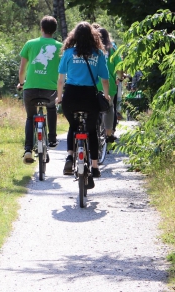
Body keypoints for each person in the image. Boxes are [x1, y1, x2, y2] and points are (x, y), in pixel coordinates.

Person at [56, 22, 111, 178]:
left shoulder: (68, 53)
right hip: (89, 97)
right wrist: (106, 96)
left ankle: (69, 156)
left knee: (73, 126)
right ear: (93, 36)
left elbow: (61, 80)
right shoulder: (98, 54)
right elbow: (105, 80)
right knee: (91, 130)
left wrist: (59, 98)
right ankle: (94, 166)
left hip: (71, 96)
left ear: (74, 36)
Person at [17, 16, 62, 163]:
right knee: (51, 109)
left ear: (41, 28)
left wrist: (21, 83)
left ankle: (28, 150)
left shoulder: (30, 44)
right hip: (51, 90)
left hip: (30, 89)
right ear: (54, 30)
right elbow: (63, 72)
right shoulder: (60, 47)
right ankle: (53, 139)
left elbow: (23, 69)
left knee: (31, 117)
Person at [92, 25, 124, 143]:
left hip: (93, 84)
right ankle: (109, 132)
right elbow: (120, 66)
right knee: (109, 107)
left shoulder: (92, 49)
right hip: (109, 84)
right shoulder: (112, 49)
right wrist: (119, 78)